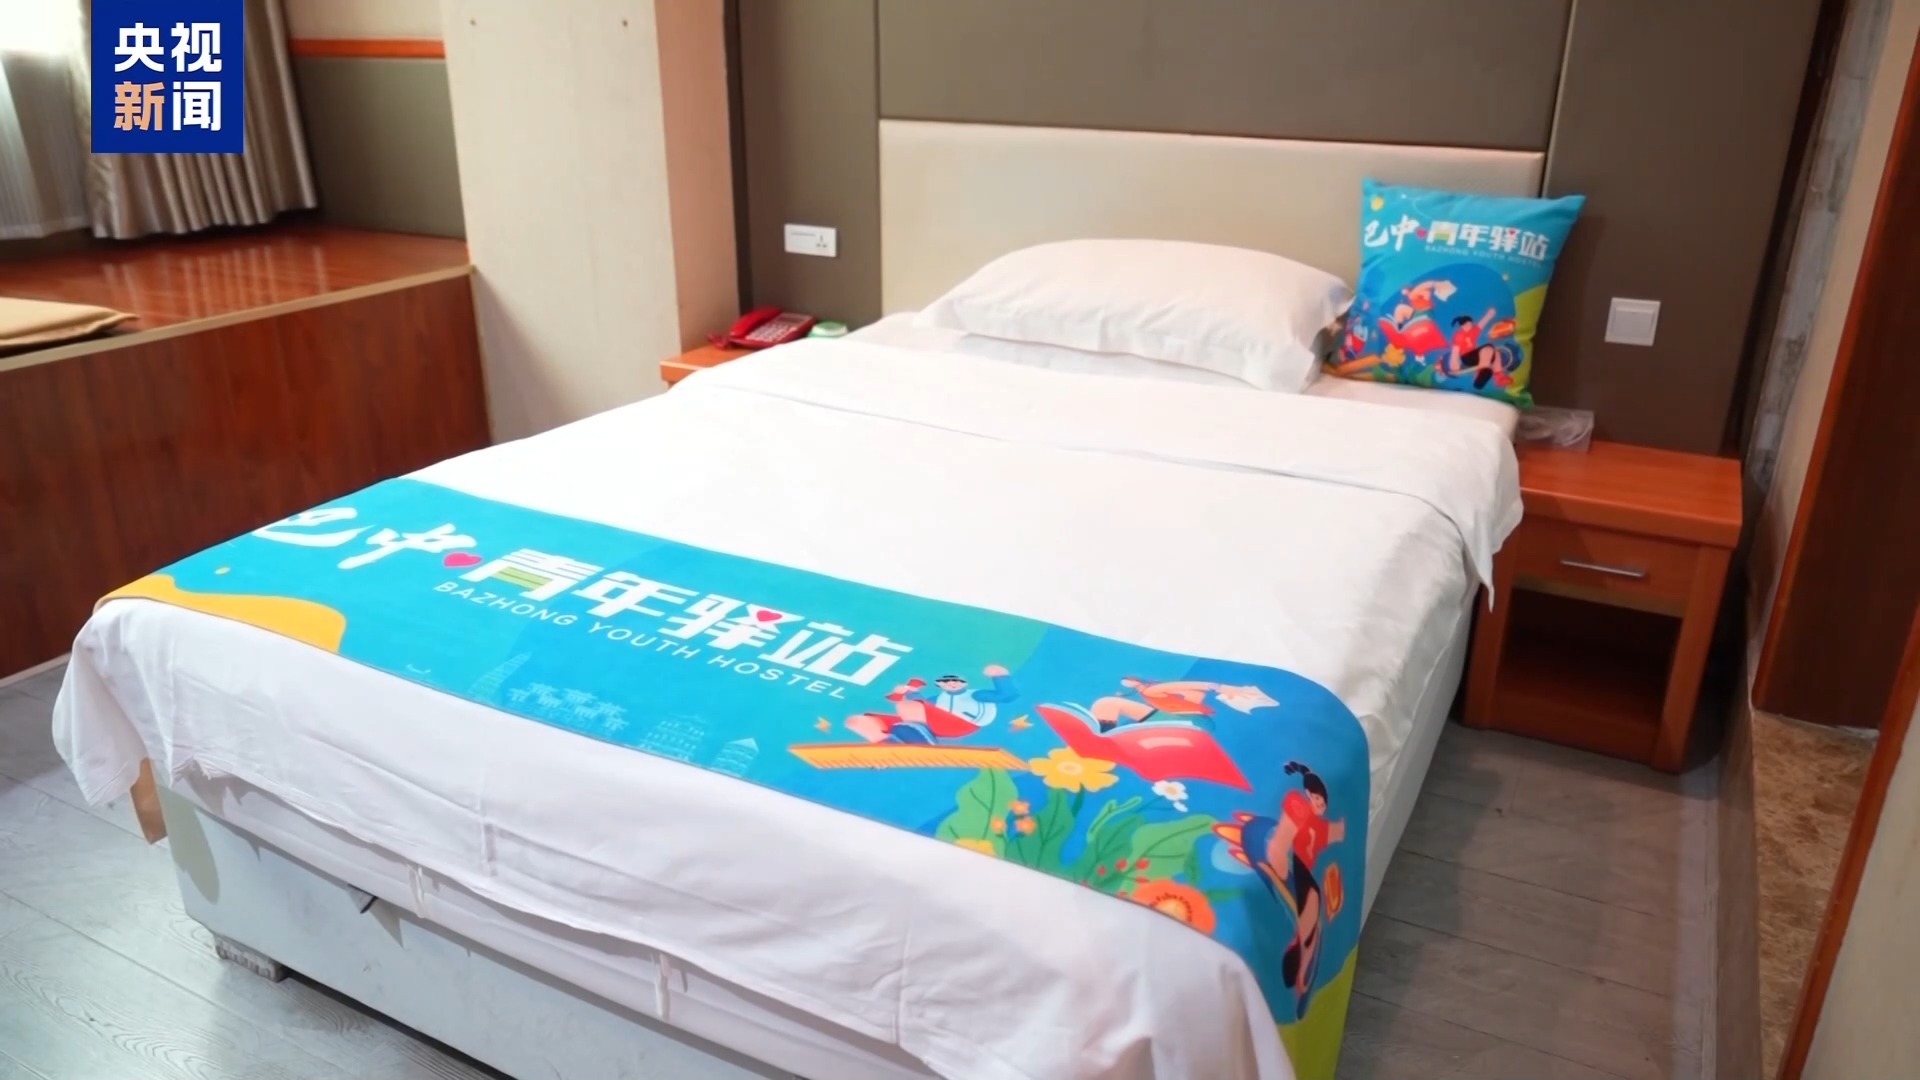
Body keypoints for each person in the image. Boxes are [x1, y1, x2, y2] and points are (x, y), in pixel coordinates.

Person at [1211, 760, 1347, 1019]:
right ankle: (1301, 958)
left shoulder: (1317, 825)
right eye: (1317, 800)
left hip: (1298, 869)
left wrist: (1339, 828)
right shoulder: (1299, 807)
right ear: (1309, 795)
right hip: (1292, 865)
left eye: (1322, 802)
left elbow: (1336, 831)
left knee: (1313, 901)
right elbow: (1286, 834)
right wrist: (1278, 859)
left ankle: (1301, 953)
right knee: (1313, 898)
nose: (1320, 806)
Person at [845, 665, 1017, 744]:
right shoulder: (938, 699)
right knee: (857, 720)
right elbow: (923, 706)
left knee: (907, 706)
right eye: (946, 682)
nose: (951, 683)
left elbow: (1007, 695)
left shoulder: (975, 695)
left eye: (956, 680)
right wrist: (909, 691)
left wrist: (1000, 675)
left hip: (962, 724)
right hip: (933, 724)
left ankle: (921, 740)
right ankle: (886, 744)